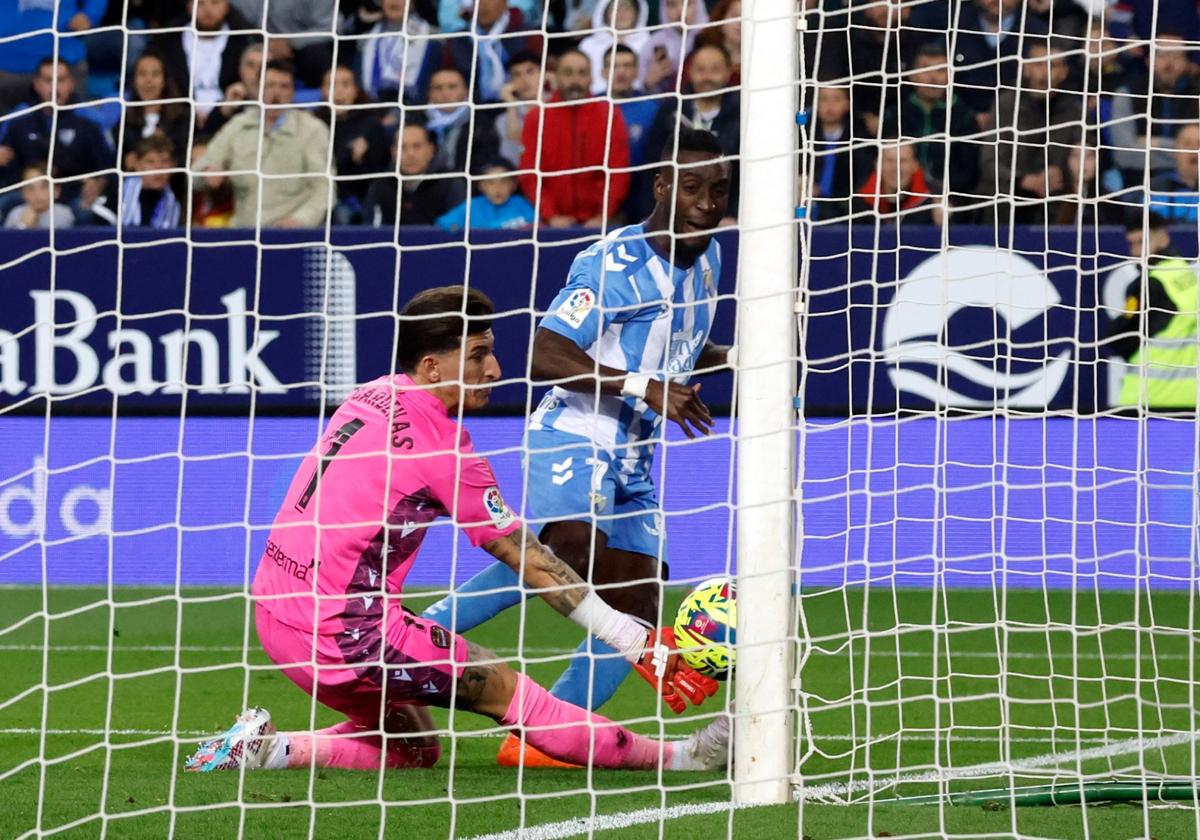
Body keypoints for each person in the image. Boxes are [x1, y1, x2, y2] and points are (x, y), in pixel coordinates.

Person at [185, 286, 727, 774]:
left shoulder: (369, 394)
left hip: (275, 618)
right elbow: (530, 559)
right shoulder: (443, 448)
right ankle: (688, 758)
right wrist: (630, 637)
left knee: (413, 748)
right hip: (346, 639)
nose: (494, 370)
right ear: (431, 366)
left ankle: (264, 749)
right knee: (505, 688)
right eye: (477, 355)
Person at [422, 128, 734, 768]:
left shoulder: (710, 261)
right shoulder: (612, 264)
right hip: (576, 431)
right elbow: (546, 350)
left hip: (636, 455)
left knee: (640, 599)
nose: (706, 201)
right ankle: (413, 636)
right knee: (566, 551)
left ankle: (541, 739)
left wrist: (732, 356)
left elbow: (672, 342)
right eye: (693, 186)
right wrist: (646, 387)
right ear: (663, 186)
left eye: (719, 190)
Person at [194, 60, 332, 228]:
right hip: (244, 232)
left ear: (293, 92)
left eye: (284, 86)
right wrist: (206, 172)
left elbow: (324, 189)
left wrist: (300, 221)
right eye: (270, 85)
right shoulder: (238, 126)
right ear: (257, 90)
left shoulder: (313, 130)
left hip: (292, 234)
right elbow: (197, 171)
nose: (276, 93)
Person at [975, 38, 1084, 225]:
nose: (1044, 72)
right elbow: (989, 161)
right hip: (1006, 201)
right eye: (1038, 64)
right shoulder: (1007, 104)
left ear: (1064, 72)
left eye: (1053, 65)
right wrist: (1023, 180)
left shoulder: (1074, 111)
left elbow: (1085, 153)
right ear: (1026, 68)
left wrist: (1062, 171)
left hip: (1055, 202)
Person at [518, 50, 630, 228]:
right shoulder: (536, 118)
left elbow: (618, 171)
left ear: (591, 78)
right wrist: (550, 215)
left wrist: (603, 216)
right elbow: (529, 174)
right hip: (551, 223)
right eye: (568, 73)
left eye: (582, 73)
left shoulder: (609, 114)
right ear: (555, 76)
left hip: (603, 221)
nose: (575, 81)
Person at [1107, 212, 1198, 410]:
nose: (1136, 251)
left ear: (1163, 236)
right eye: (1132, 244)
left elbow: (1121, 339)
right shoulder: (1187, 274)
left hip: (1149, 397)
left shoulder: (1151, 285)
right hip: (1189, 397)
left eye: (1142, 241)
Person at [0, 57, 115, 206]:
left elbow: (108, 167)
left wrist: (98, 184)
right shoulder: (18, 121)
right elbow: (7, 169)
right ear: (37, 85)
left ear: (71, 84)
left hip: (74, 198)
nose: (55, 88)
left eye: (60, 80)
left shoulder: (89, 121)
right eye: (48, 81)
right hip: (26, 199)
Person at [645, 43, 739, 220]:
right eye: (700, 69)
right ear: (690, 72)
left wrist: (734, 214)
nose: (707, 77)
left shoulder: (742, 115)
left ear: (728, 72)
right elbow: (651, 167)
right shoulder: (670, 111)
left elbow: (746, 175)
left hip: (727, 220)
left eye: (715, 69)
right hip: (674, 217)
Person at [885, 41, 982, 204]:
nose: (933, 78)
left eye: (940, 70)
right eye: (926, 70)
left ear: (950, 76)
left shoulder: (964, 117)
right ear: (912, 75)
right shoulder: (895, 114)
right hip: (900, 197)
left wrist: (942, 191)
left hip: (953, 200)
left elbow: (970, 170)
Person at [153, 0, 261, 121]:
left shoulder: (244, 41)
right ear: (189, 7)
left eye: (214, 3)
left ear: (226, 6)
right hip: (178, 120)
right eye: (200, 3)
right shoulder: (168, 41)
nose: (207, 9)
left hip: (232, 118)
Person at [324, 65, 391, 224]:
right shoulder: (314, 124)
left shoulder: (371, 125)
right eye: (332, 85)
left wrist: (359, 161)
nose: (338, 91)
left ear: (356, 90)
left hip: (356, 199)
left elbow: (378, 174)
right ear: (323, 90)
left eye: (345, 85)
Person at [364, 124, 465, 226]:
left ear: (431, 150)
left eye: (417, 146)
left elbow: (457, 228)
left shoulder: (450, 182)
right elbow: (372, 230)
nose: (410, 154)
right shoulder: (380, 186)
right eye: (403, 147)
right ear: (393, 152)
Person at [447, 0, 543, 104]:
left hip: (521, 105)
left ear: (505, 3)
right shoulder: (457, 41)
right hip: (472, 109)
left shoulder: (530, 35)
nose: (484, 5)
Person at [355, 0, 443, 106]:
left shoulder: (432, 36)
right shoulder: (365, 39)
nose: (394, 1)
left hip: (414, 108)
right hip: (372, 108)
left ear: (413, 4)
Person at [119, 51, 194, 172]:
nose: (148, 80)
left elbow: (188, 158)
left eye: (155, 74)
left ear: (165, 80)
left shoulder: (183, 118)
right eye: (142, 74)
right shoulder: (124, 123)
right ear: (134, 80)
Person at [424, 68, 501, 175]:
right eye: (438, 88)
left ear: (465, 91)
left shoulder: (482, 124)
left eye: (452, 87)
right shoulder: (417, 123)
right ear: (429, 93)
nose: (445, 93)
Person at [852, 139, 943, 225]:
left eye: (903, 161)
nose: (896, 168)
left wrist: (942, 225)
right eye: (890, 161)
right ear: (877, 164)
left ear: (915, 165)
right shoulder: (861, 201)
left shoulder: (934, 200)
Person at [436, 157, 536, 230]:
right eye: (491, 183)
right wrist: (454, 227)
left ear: (513, 184)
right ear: (481, 185)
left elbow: (533, 222)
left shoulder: (520, 204)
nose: (497, 188)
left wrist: (492, 227)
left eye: (504, 181)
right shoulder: (473, 206)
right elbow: (445, 222)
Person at [578, 0, 650, 96]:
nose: (621, 13)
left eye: (627, 8)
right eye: (614, 8)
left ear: (637, 13)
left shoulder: (649, 42)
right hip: (595, 103)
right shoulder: (588, 45)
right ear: (604, 13)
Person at [120, 133, 183, 228]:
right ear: (138, 165)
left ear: (173, 166)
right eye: (150, 161)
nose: (158, 168)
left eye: (165, 161)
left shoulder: (175, 203)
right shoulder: (118, 193)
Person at [494, 50, 543, 166]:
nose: (524, 80)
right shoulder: (503, 120)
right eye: (517, 74)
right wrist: (511, 107)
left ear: (543, 74)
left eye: (530, 72)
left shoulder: (559, 106)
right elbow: (511, 158)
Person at [1148, 123, 1200, 224]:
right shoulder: (1154, 189)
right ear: (1175, 150)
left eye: (1199, 143)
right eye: (1187, 143)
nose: (1194, 149)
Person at [3, 164, 74, 230]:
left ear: (56, 191)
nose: (37, 194)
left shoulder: (63, 213)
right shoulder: (15, 213)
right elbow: (7, 241)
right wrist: (22, 225)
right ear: (22, 192)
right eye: (30, 188)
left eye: (44, 187)